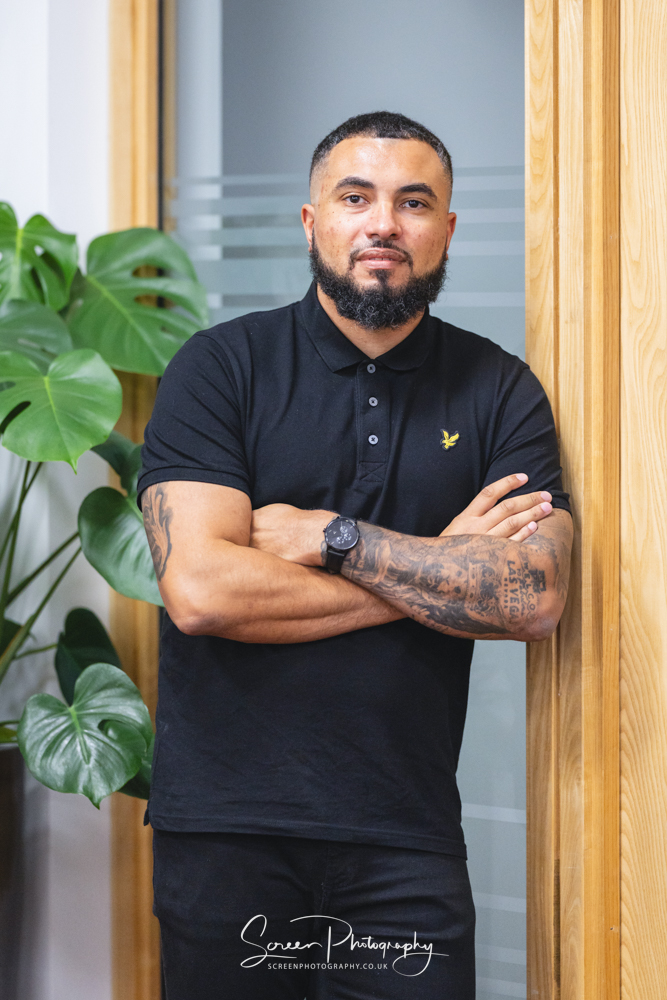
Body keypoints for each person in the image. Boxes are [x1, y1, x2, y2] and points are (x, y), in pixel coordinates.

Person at [138, 111, 572, 1000]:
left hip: (404, 840)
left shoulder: (499, 390)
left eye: (414, 202)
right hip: (229, 836)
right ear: (312, 222)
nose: (383, 222)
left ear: (445, 229)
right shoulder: (220, 369)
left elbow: (530, 597)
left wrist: (332, 541)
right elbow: (203, 592)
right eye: (355, 196)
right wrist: (438, 567)